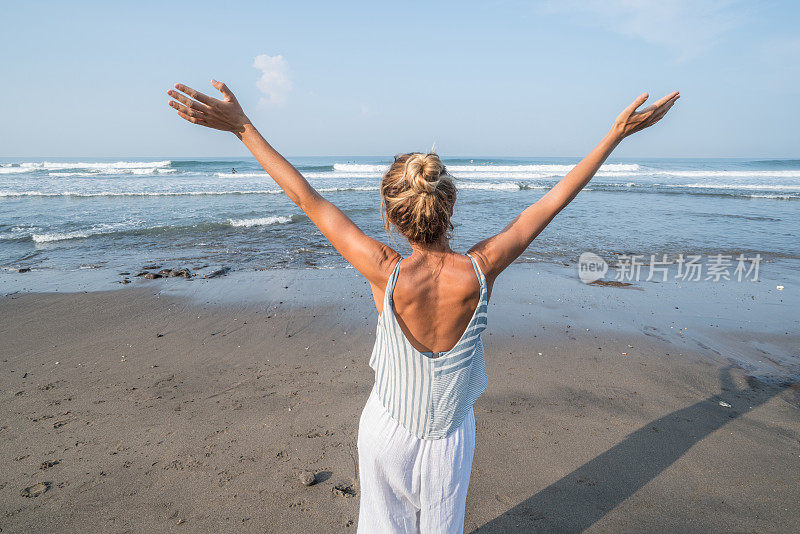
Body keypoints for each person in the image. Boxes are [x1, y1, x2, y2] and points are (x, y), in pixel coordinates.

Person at [167, 80, 679, 533]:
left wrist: (242, 128)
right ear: (449, 204)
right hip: (449, 440)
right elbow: (549, 203)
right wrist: (614, 136)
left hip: (388, 428)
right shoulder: (481, 269)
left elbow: (309, 200)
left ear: (392, 216)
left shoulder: (383, 269)